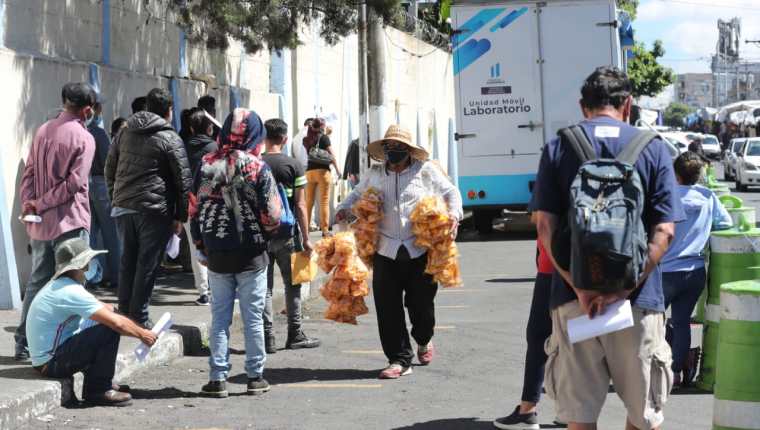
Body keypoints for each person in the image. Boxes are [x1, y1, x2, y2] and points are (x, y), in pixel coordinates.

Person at [533, 66, 682, 430]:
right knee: (643, 415)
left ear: (584, 107)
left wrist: (580, 285)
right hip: (638, 303)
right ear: (627, 104)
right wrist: (624, 289)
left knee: (579, 417)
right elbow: (664, 231)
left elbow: (543, 226)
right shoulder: (652, 148)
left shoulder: (559, 146)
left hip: (574, 301)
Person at [335, 125, 463, 379]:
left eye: (399, 148)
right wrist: (341, 210)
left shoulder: (425, 171)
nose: (393, 152)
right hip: (385, 249)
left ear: (409, 151)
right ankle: (399, 359)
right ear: (383, 150)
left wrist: (453, 215)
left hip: (419, 249)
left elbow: (451, 192)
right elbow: (356, 194)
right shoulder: (374, 174)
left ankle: (424, 340)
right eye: (389, 147)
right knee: (388, 308)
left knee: (422, 308)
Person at [190, 108, 282, 398]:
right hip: (252, 255)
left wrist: (202, 246)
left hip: (217, 254)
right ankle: (255, 377)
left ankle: (217, 379)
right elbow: (272, 215)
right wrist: (265, 235)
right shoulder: (257, 168)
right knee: (252, 317)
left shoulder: (206, 165)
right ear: (255, 134)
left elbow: (195, 209)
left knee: (219, 318)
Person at [15, 82, 98, 361]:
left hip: (41, 223)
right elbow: (74, 184)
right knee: (73, 283)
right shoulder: (84, 138)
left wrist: (30, 202)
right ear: (87, 110)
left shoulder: (43, 130)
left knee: (38, 282)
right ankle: (67, 342)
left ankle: (24, 341)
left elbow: (29, 173)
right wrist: (39, 202)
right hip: (70, 222)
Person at [27, 238, 158, 406]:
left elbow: (108, 309)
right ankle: (98, 390)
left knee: (102, 322)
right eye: (89, 260)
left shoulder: (63, 285)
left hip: (50, 358)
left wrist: (140, 328)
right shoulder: (70, 291)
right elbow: (116, 324)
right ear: (83, 265)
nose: (91, 264)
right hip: (50, 363)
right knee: (108, 329)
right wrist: (143, 335)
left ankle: (99, 380)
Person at [105, 88, 191, 327]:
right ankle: (139, 316)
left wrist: (116, 197)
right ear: (168, 110)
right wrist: (180, 217)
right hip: (154, 210)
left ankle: (124, 312)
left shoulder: (124, 132)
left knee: (128, 260)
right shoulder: (170, 137)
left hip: (124, 207)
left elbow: (109, 168)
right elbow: (183, 181)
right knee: (147, 263)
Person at [661, 151, 732, 387]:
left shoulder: (666, 196)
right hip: (695, 271)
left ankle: (654, 370)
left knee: (653, 322)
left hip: (664, 272)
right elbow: (726, 223)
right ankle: (677, 373)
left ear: (675, 173)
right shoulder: (707, 196)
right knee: (681, 323)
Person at [261, 118, 320, 353]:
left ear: (264, 137)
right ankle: (294, 333)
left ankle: (267, 337)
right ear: (285, 139)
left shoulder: (255, 163)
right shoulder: (294, 165)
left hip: (260, 236)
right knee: (292, 284)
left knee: (263, 289)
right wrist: (306, 238)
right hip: (288, 233)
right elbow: (301, 205)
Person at [493, 226, 559, 429]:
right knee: (573, 339)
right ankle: (571, 408)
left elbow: (544, 219)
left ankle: (527, 410)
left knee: (539, 337)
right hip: (588, 267)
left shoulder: (552, 191)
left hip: (554, 266)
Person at [183, 107, 216, 305]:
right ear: (208, 127)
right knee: (214, 244)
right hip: (212, 202)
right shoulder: (214, 148)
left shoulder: (182, 146)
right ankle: (218, 287)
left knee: (196, 246)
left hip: (189, 202)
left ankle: (204, 292)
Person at [88, 101, 121, 289]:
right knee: (111, 234)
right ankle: (116, 276)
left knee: (91, 234)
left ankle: (93, 275)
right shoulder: (99, 134)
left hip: (85, 185)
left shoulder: (80, 131)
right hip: (101, 184)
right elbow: (109, 163)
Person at [304, 117, 341, 236]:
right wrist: (338, 170)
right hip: (323, 172)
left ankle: (306, 228)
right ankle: (324, 230)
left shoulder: (307, 139)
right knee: (324, 202)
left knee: (308, 202)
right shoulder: (324, 138)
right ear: (322, 127)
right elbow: (332, 155)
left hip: (309, 172)